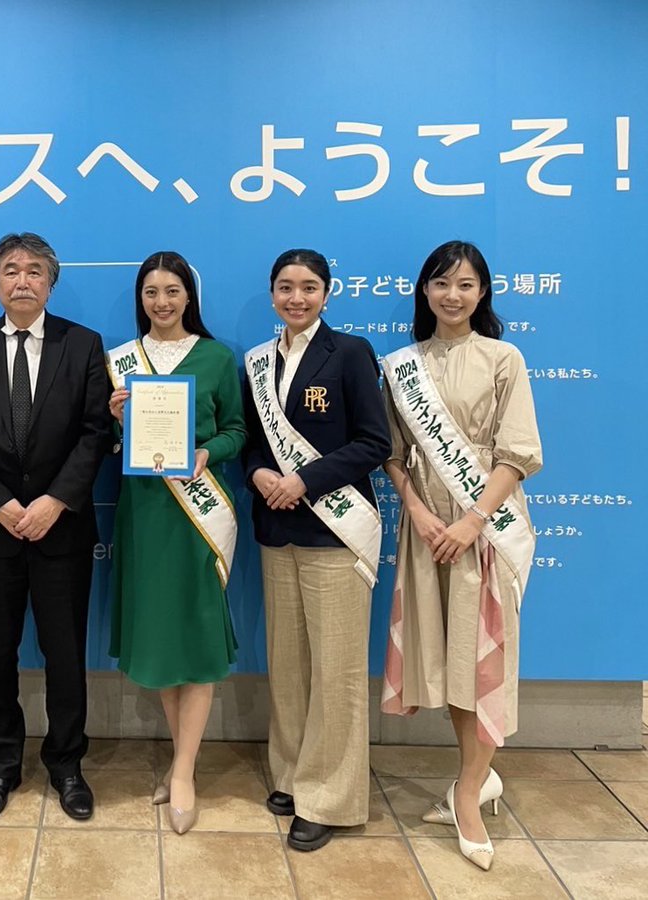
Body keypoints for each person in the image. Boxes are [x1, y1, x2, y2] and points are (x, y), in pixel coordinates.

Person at [380, 241, 542, 871]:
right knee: (449, 657)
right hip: (426, 531)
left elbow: (519, 452)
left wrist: (475, 518)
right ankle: (476, 778)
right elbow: (391, 452)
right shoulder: (402, 366)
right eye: (442, 283)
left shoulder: (504, 357)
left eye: (466, 284)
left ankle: (469, 792)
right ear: (425, 291)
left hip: (487, 525)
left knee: (485, 658)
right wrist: (418, 512)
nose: (453, 295)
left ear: (483, 293)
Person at [0, 232, 109, 822]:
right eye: (11, 270)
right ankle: (2, 764)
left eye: (35, 271)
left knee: (64, 652)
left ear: (51, 281)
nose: (22, 281)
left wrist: (54, 501)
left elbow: (95, 433)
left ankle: (67, 764)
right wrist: (1, 505)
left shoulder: (84, 345)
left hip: (60, 527)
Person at [242, 248, 390, 852]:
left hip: (335, 531)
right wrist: (258, 476)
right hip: (277, 530)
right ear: (272, 293)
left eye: (308, 287)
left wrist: (305, 480)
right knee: (290, 664)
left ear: (328, 293)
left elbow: (374, 442)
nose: (296, 298)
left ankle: (329, 796)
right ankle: (291, 774)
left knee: (337, 671)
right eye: (285, 287)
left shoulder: (350, 353)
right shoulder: (258, 360)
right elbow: (253, 443)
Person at [106, 251, 246, 834]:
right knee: (161, 639)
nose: (161, 302)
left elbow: (238, 430)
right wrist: (116, 418)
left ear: (190, 296)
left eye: (172, 291)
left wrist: (206, 453)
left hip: (199, 514)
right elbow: (113, 443)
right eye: (151, 293)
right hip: (144, 516)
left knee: (196, 635)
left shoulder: (217, 357)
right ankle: (179, 756)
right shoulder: (120, 363)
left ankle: (184, 769)